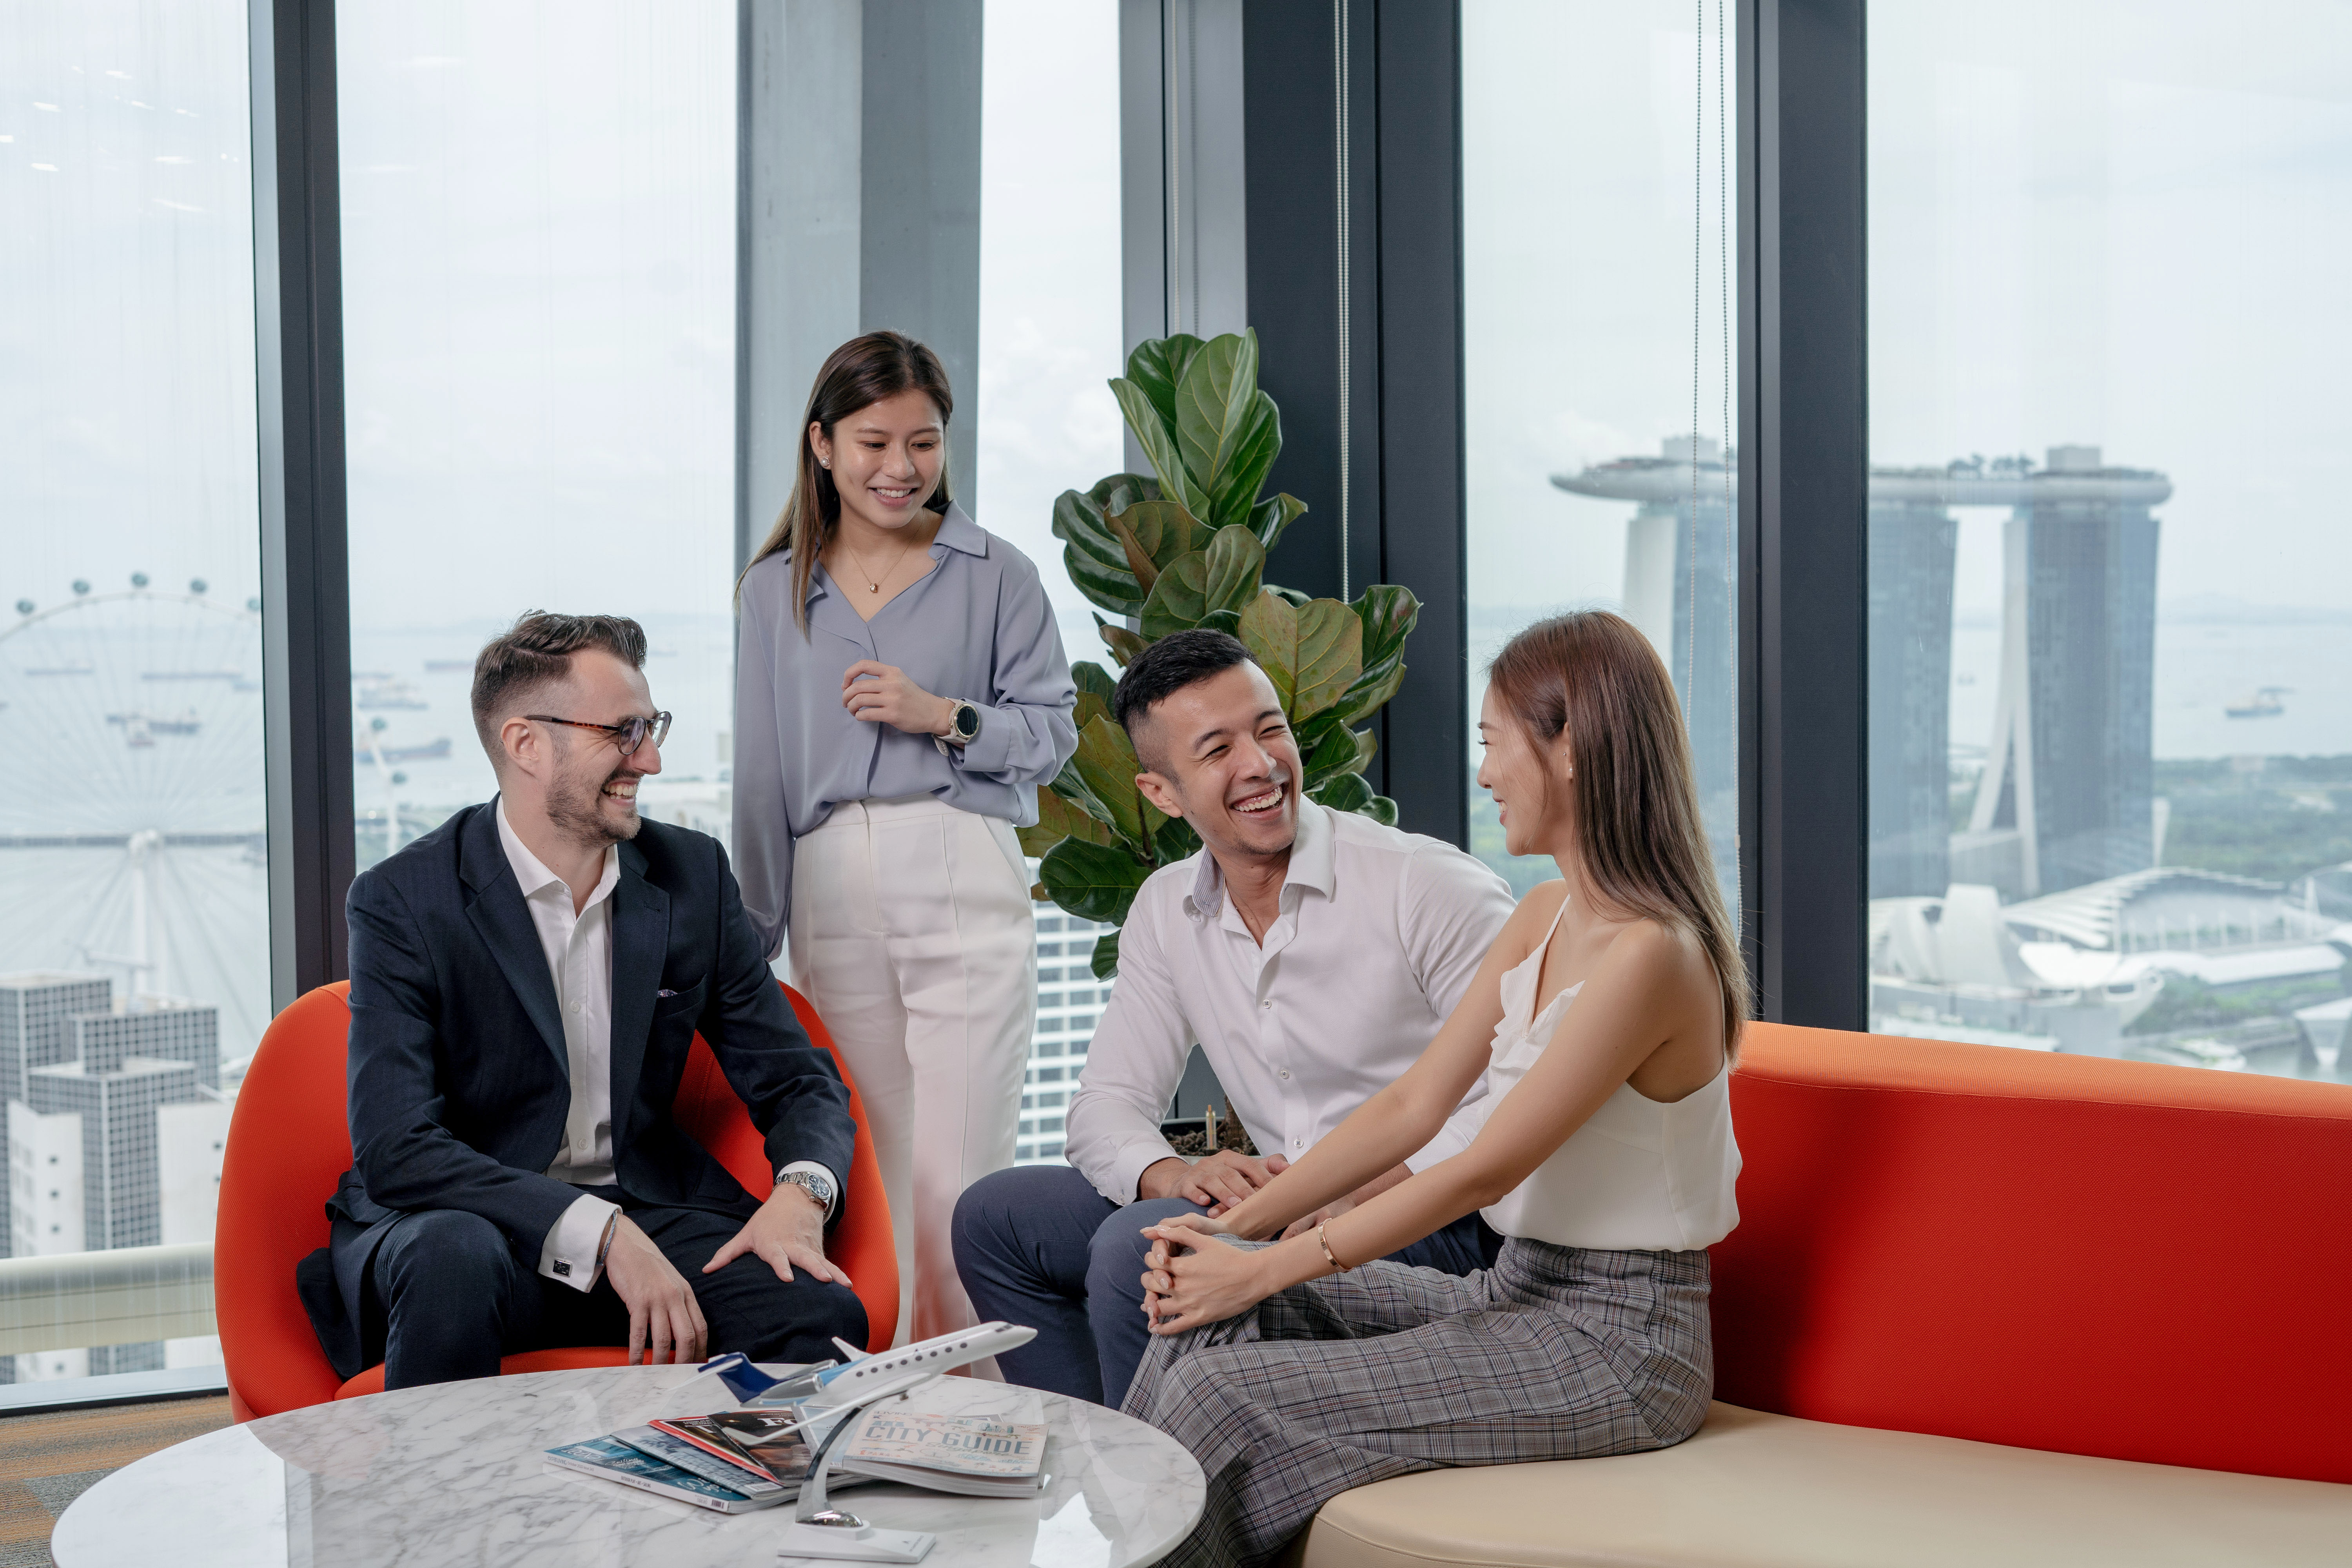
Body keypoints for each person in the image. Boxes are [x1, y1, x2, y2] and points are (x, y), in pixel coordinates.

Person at [1120, 610, 1746, 1568]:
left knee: (1219, 1390)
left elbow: (1478, 1167)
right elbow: (1411, 1106)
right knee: (1220, 1314)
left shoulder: (1652, 956)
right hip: (1521, 1292)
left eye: (1495, 743)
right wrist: (1231, 1236)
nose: (1485, 772)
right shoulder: (1544, 914)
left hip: (1623, 1346)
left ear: (1569, 747)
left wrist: (1269, 1258)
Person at [298, 613, 866, 1390]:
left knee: (815, 1307)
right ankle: (448, 1516)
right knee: (448, 1261)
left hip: (649, 1201)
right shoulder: (405, 899)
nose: (653, 758)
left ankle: (730, 1506)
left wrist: (803, 1194)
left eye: (653, 726)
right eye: (626, 731)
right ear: (527, 743)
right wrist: (605, 1235)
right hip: (475, 1227)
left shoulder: (689, 874)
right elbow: (398, 1148)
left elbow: (799, 1079)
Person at [952, 629, 1517, 1406]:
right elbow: (1104, 1107)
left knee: (1138, 1247)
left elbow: (1513, 1106)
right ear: (1163, 793)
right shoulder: (1167, 907)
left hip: (1431, 1214)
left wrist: (1348, 1190)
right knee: (998, 1216)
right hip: (1276, 1196)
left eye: (1269, 728)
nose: (1259, 764)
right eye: (1217, 749)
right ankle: (1098, 1470)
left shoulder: (1426, 887)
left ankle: (1163, 1511)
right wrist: (1176, 1171)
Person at [733, 330, 1077, 1348]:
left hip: (961, 861)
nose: (900, 467)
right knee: (873, 1183)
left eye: (922, 443)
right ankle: (881, 1415)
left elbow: (1052, 735)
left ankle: (964, 1426)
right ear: (823, 445)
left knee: (958, 1184)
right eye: (875, 442)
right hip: (827, 887)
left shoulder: (997, 574)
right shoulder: (774, 593)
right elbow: (762, 777)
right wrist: (747, 948)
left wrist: (947, 716)